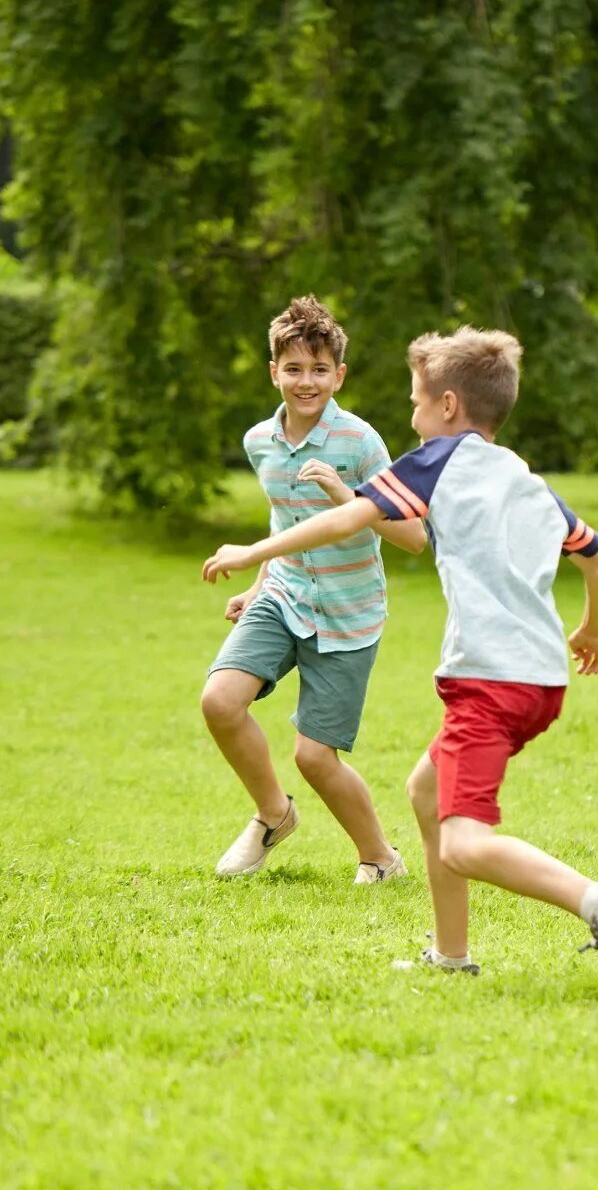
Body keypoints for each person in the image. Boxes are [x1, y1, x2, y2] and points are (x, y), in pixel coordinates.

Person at [204, 326, 598, 1004]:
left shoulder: (435, 460)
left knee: (464, 842)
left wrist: (253, 552)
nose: (409, 416)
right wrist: (594, 630)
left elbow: (344, 521)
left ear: (446, 405)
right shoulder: (525, 479)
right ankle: (450, 953)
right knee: (424, 792)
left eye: (413, 402)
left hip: (491, 681)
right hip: (539, 679)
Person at [201, 297, 427, 884]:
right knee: (220, 703)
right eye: (294, 369)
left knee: (314, 757)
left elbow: (413, 536)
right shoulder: (260, 442)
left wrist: (348, 498)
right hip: (283, 594)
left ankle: (381, 858)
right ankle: (274, 816)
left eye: (320, 370)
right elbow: (284, 521)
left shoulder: (359, 443)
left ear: (339, 375)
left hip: (349, 614)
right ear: (273, 370)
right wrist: (257, 586)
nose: (307, 382)